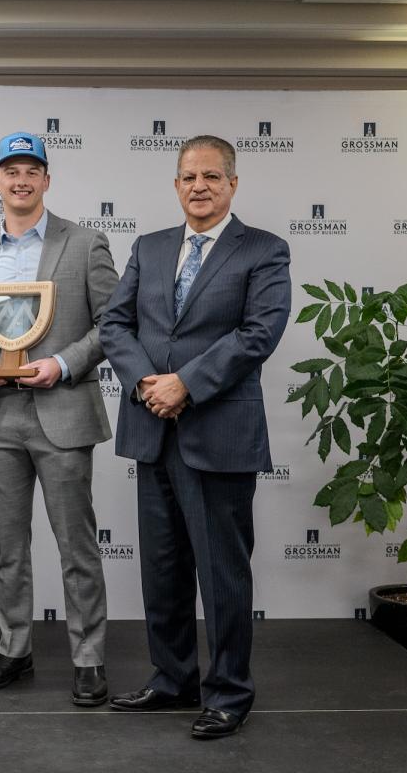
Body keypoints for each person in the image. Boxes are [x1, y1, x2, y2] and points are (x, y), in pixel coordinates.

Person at [99, 135, 291, 739]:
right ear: (176, 185)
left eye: (211, 176)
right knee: (162, 569)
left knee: (222, 572)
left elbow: (259, 334)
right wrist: (146, 385)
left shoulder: (263, 250)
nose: (199, 186)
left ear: (233, 184)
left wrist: (185, 383)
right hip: (151, 428)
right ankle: (173, 678)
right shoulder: (150, 247)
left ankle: (230, 692)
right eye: (188, 177)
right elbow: (114, 322)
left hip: (219, 432)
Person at [0, 132, 119, 706]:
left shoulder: (87, 243)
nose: (20, 180)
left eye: (31, 170)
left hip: (61, 411)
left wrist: (62, 364)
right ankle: (14, 648)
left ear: (47, 179)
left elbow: (112, 325)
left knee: (77, 546)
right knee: (7, 546)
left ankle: (89, 657)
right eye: (10, 171)